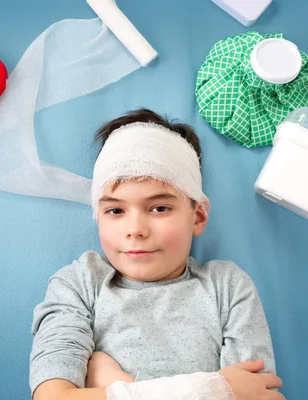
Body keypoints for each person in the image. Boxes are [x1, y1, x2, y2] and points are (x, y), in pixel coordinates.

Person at [29, 109, 284, 400]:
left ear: (198, 216)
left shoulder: (227, 286)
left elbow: (256, 395)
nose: (135, 229)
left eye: (159, 208)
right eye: (115, 210)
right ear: (98, 217)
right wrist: (214, 389)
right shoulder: (79, 284)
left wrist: (116, 384)